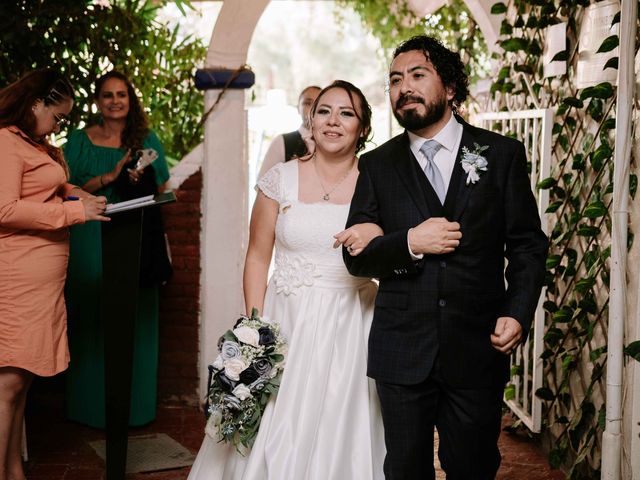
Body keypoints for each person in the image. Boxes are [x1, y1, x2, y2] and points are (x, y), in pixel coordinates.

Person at [342, 35, 548, 480]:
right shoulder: (376, 165)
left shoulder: (500, 154)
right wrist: (412, 242)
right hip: (402, 350)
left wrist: (518, 312)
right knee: (404, 470)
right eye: (395, 79)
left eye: (418, 75)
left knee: (473, 467)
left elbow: (529, 244)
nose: (404, 87)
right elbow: (358, 258)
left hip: (476, 349)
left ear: (450, 88)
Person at [188, 80, 385, 480]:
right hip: (286, 321)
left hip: (352, 322)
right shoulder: (280, 179)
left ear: (363, 128)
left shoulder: (379, 181)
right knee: (277, 423)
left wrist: (377, 237)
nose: (333, 121)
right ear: (310, 120)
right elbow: (258, 255)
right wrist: (254, 329)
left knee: (342, 421)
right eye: (325, 111)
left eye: (346, 113)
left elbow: (393, 254)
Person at [0, 69, 108, 480]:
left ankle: (13, 471)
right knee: (7, 384)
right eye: (58, 116)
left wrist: (76, 193)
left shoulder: (36, 144)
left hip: (39, 285)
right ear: (35, 104)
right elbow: (5, 209)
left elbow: (49, 186)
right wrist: (74, 212)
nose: (60, 124)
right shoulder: (6, 142)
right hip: (14, 280)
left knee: (20, 385)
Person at [63, 71, 171, 428]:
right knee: (90, 315)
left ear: (130, 99)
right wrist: (109, 178)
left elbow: (165, 187)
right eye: (107, 95)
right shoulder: (79, 141)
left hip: (133, 238)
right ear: (97, 101)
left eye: (121, 95)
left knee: (133, 314)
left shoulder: (146, 139)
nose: (114, 101)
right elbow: (64, 188)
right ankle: (88, 407)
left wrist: (139, 181)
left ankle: (135, 408)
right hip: (87, 238)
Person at [256, 85, 321, 178]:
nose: (313, 109)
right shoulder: (281, 142)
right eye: (308, 103)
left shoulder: (333, 143)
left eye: (318, 104)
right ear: (298, 108)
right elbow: (263, 183)